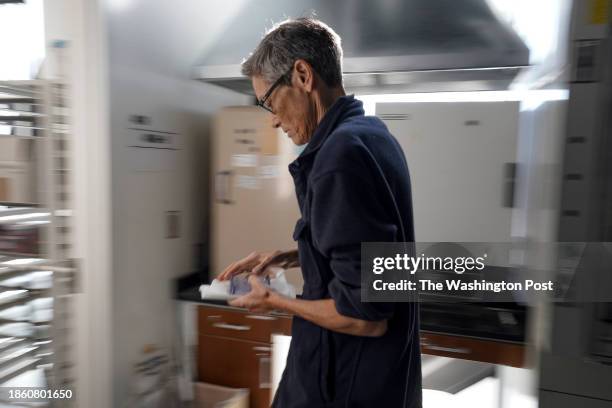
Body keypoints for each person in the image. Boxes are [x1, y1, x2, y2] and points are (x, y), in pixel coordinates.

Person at [218, 17, 422, 408]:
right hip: (381, 384)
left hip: (344, 387)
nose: (273, 119)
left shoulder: (338, 156)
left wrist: (274, 301)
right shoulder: (373, 135)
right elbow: (368, 256)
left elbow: (365, 317)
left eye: (269, 102)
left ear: (302, 75)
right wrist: (290, 255)